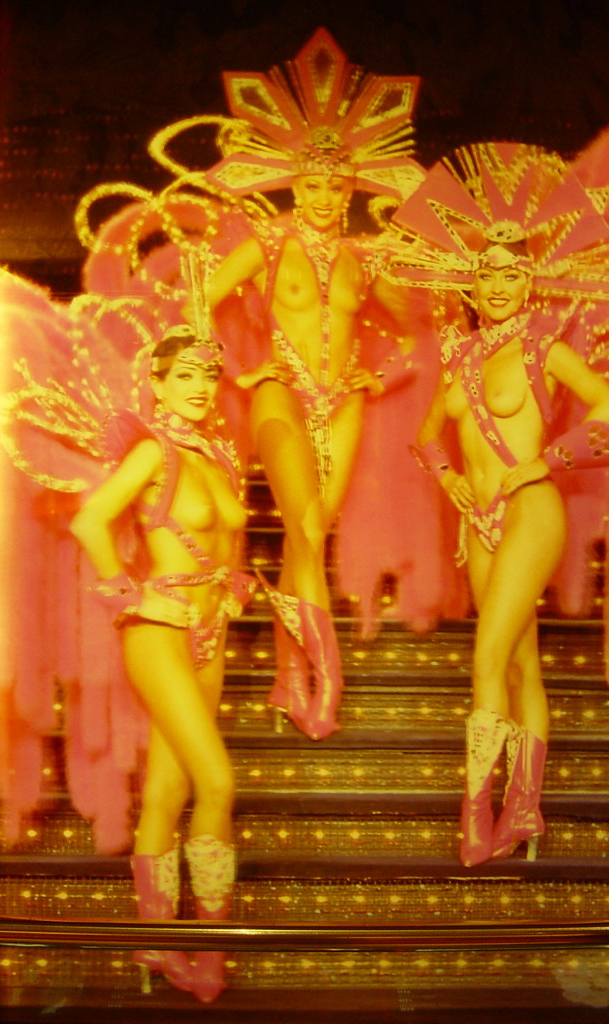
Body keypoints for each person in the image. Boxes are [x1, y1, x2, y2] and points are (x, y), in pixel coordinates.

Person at [392, 143, 609, 869]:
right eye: (485, 272)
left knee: (486, 659)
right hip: (481, 524)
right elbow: (426, 435)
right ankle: (525, 809)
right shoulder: (461, 359)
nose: (497, 283)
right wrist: (451, 484)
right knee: (519, 671)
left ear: (529, 280)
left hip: (532, 510)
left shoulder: (541, 345)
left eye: (510, 271)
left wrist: (542, 460)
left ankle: (475, 815)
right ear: (470, 283)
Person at [190, 29, 425, 740]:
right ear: (296, 183)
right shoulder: (265, 242)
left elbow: (416, 331)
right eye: (313, 183)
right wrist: (237, 368)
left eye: (337, 184)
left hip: (342, 398)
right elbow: (201, 294)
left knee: (310, 536)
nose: (324, 196)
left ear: (353, 186)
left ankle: (289, 677)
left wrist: (375, 373)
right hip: (280, 393)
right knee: (302, 523)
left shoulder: (362, 259)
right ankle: (328, 686)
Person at [70, 326, 253, 1000]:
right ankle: (207, 950)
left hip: (210, 633)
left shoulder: (221, 456)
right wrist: (133, 594)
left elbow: (223, 542)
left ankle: (155, 939)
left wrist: (232, 588)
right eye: (185, 375)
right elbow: (91, 523)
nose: (201, 387)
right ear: (157, 383)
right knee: (218, 783)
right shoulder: (154, 452)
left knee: (168, 792)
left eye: (210, 375)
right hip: (159, 632)